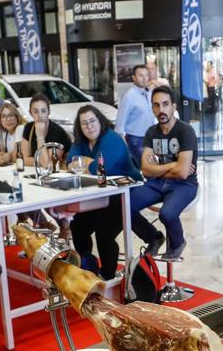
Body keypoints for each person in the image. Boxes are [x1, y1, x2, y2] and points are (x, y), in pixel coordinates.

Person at [68, 105, 141, 279]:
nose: (89, 126)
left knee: (104, 232)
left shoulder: (112, 138)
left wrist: (84, 163)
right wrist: (83, 163)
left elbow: (97, 169)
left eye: (92, 121)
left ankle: (108, 275)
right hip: (100, 196)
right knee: (77, 225)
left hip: (125, 194)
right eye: (84, 123)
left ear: (100, 121)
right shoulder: (81, 141)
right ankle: (87, 267)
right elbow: (70, 161)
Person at [130, 86, 197, 259]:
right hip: (158, 183)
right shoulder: (151, 133)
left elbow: (183, 173)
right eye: (156, 105)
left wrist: (157, 171)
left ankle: (178, 242)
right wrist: (174, 164)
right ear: (152, 108)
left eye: (165, 104)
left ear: (174, 107)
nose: (161, 110)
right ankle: (153, 238)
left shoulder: (185, 131)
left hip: (185, 184)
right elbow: (145, 169)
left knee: (166, 214)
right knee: (125, 206)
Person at [18, 94, 71, 165]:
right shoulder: (29, 127)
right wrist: (41, 161)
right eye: (36, 112)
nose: (40, 115)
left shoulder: (57, 131)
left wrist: (40, 137)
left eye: (43, 111)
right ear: (30, 113)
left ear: (49, 112)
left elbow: (47, 164)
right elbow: (24, 159)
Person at [115, 64, 154, 159]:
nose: (144, 79)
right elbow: (120, 122)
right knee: (142, 168)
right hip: (135, 139)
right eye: (141, 76)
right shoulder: (129, 96)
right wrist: (123, 144)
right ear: (134, 78)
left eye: (146, 75)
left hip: (150, 136)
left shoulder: (149, 93)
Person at [0, 101, 26, 165]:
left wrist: (7, 155)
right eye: (4, 116)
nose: (8, 119)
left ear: (17, 117)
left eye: (11, 115)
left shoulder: (21, 128)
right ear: (0, 120)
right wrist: (0, 157)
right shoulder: (0, 131)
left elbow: (16, 156)